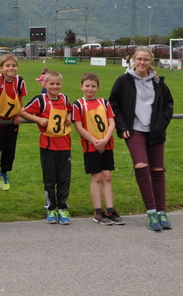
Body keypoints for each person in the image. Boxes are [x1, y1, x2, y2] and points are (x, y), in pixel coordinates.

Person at [109, 47, 174, 231]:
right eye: (139, 59)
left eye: (146, 59)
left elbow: (168, 105)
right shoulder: (123, 80)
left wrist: (161, 124)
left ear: (151, 61)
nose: (142, 62)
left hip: (155, 132)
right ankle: (151, 211)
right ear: (133, 60)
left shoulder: (158, 82)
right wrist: (122, 126)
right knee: (141, 166)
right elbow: (113, 104)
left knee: (158, 170)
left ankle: (161, 211)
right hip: (134, 130)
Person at [20, 71, 73, 225]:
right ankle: (51, 208)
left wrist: (69, 117)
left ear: (62, 84)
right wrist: (38, 119)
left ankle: (62, 207)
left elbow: (70, 110)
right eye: (52, 84)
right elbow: (22, 111)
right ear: (45, 84)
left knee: (64, 178)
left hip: (64, 145)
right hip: (48, 146)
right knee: (50, 178)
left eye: (58, 84)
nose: (55, 86)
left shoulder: (64, 99)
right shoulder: (40, 100)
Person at [72, 72, 124, 225]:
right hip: (91, 146)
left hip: (106, 144)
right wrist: (95, 141)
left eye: (93, 86)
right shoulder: (78, 105)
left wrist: (105, 139)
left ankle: (110, 210)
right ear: (81, 86)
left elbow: (112, 122)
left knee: (107, 176)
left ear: (98, 87)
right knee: (97, 177)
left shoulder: (104, 103)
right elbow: (78, 127)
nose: (90, 89)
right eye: (87, 86)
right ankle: (98, 212)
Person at [0, 54, 27, 191]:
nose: (11, 68)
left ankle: (3, 172)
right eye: (7, 66)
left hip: (12, 122)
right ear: (1, 68)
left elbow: (20, 98)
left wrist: (18, 115)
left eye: (14, 65)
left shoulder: (19, 81)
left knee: (9, 149)